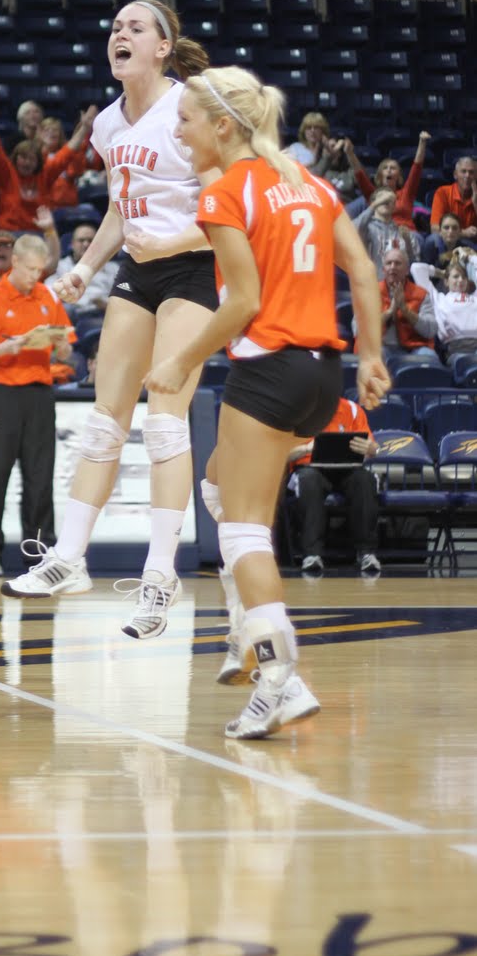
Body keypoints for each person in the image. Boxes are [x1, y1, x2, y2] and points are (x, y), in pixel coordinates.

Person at [143, 63, 389, 738]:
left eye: (186, 117)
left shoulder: (228, 192)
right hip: (322, 372)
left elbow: (244, 302)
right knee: (219, 485)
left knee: (243, 529)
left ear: (222, 126)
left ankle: (279, 676)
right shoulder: (305, 183)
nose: (178, 127)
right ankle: (244, 632)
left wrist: (178, 360)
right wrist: (370, 355)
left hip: (269, 368)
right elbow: (363, 270)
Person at [1, 0, 217, 641]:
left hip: (194, 269)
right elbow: (122, 213)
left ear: (162, 48)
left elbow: (222, 202)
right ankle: (68, 557)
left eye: (135, 27)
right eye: (115, 26)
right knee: (103, 421)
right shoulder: (106, 127)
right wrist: (84, 265)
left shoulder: (191, 109)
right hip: (139, 269)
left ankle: (159, 577)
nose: (120, 34)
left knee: (162, 424)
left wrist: (173, 240)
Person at [0, 233, 76, 576]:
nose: (34, 277)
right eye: (29, 270)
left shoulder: (48, 296)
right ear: (15, 263)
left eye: (40, 270)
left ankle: (38, 555)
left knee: (40, 479)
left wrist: (59, 344)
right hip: (0, 393)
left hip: (40, 393)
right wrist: (6, 348)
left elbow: (67, 347)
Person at [0, 93, 98, 233]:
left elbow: (67, 152)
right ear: (15, 159)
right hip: (9, 235)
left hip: (38, 237)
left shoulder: (45, 174)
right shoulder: (6, 175)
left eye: (32, 158)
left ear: (38, 161)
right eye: (23, 157)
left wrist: (84, 128)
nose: (27, 163)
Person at [288, 396, 380, 578]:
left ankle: (366, 554)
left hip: (346, 468)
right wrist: (307, 449)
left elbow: (374, 448)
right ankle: (312, 555)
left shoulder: (352, 409)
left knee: (365, 479)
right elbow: (282, 455)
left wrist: (372, 449)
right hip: (309, 468)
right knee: (309, 480)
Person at [344, 134, 429, 228]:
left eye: (393, 168)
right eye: (385, 168)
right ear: (380, 176)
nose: (389, 170)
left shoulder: (406, 194)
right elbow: (360, 175)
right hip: (380, 235)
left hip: (406, 234)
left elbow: (416, 168)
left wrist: (422, 142)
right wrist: (350, 153)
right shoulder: (373, 195)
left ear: (399, 176)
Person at [411, 254, 477, 360]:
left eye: (464, 277)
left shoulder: (474, 297)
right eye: (456, 276)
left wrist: (470, 258)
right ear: (446, 281)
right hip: (456, 349)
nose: (460, 280)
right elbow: (416, 268)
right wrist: (440, 273)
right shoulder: (438, 299)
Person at [374, 246, 436, 356]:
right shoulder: (370, 292)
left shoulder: (421, 294)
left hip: (413, 348)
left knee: (428, 356)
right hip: (381, 346)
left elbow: (430, 330)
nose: (392, 267)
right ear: (383, 269)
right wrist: (389, 312)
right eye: (389, 263)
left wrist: (405, 310)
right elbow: (358, 329)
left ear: (407, 270)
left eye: (398, 263)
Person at [356, 187, 420, 277]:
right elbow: (351, 230)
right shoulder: (366, 228)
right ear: (373, 203)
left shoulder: (403, 233)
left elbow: (414, 267)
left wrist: (407, 242)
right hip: (372, 284)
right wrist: (375, 204)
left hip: (397, 286)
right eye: (382, 198)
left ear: (394, 206)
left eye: (389, 200)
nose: (385, 201)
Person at [54, 221, 117, 312]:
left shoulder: (113, 268)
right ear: (72, 244)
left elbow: (121, 296)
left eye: (90, 240)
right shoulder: (61, 266)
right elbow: (51, 292)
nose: (86, 244)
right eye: (81, 240)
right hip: (73, 312)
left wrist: (106, 304)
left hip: (104, 312)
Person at [429, 155, 477, 250]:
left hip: (472, 243)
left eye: (471, 172)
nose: (467, 176)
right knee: (433, 239)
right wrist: (463, 233)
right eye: (463, 171)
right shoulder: (443, 192)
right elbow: (434, 229)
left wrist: (475, 203)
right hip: (448, 240)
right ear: (455, 175)